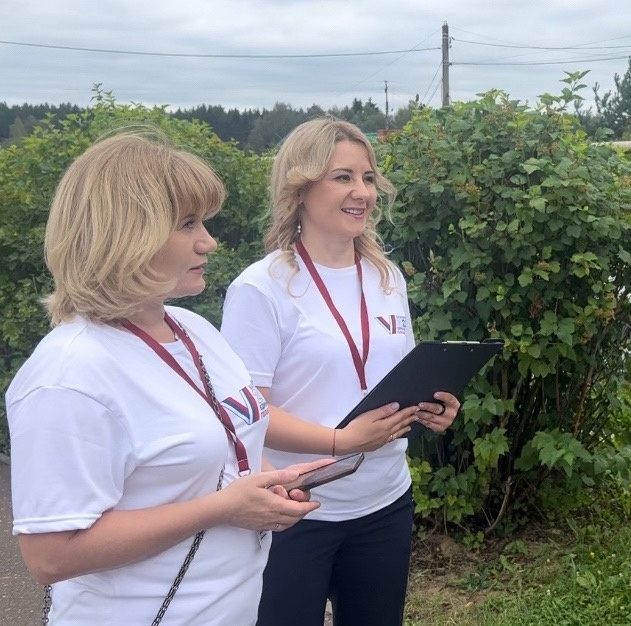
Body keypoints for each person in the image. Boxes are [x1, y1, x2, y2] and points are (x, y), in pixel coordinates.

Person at [5, 132, 327, 625]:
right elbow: (50, 555)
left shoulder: (194, 329)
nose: (209, 242)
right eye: (187, 224)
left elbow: (230, 442)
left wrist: (269, 485)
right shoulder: (69, 375)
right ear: (124, 235)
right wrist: (222, 509)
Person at [220, 117, 461, 626]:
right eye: (343, 177)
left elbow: (400, 375)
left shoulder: (385, 276)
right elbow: (245, 414)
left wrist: (432, 406)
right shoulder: (261, 287)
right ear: (300, 188)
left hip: (384, 501)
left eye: (368, 178)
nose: (362, 192)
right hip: (296, 508)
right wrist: (340, 441)